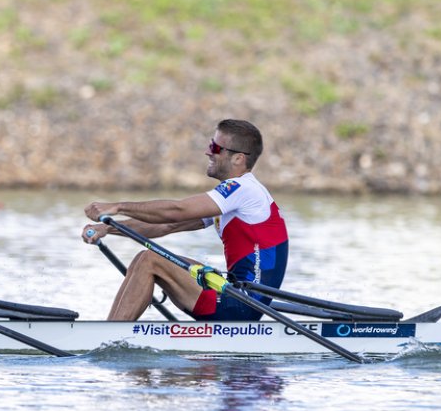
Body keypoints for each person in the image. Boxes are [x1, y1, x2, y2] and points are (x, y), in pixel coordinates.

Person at [82, 119, 287, 321]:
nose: (208, 151)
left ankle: (110, 336)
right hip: (237, 295)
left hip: (242, 304)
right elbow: (167, 224)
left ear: (238, 159)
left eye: (216, 147)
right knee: (141, 259)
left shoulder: (242, 189)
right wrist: (108, 228)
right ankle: (111, 328)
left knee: (149, 260)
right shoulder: (235, 197)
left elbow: (177, 210)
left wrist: (118, 207)